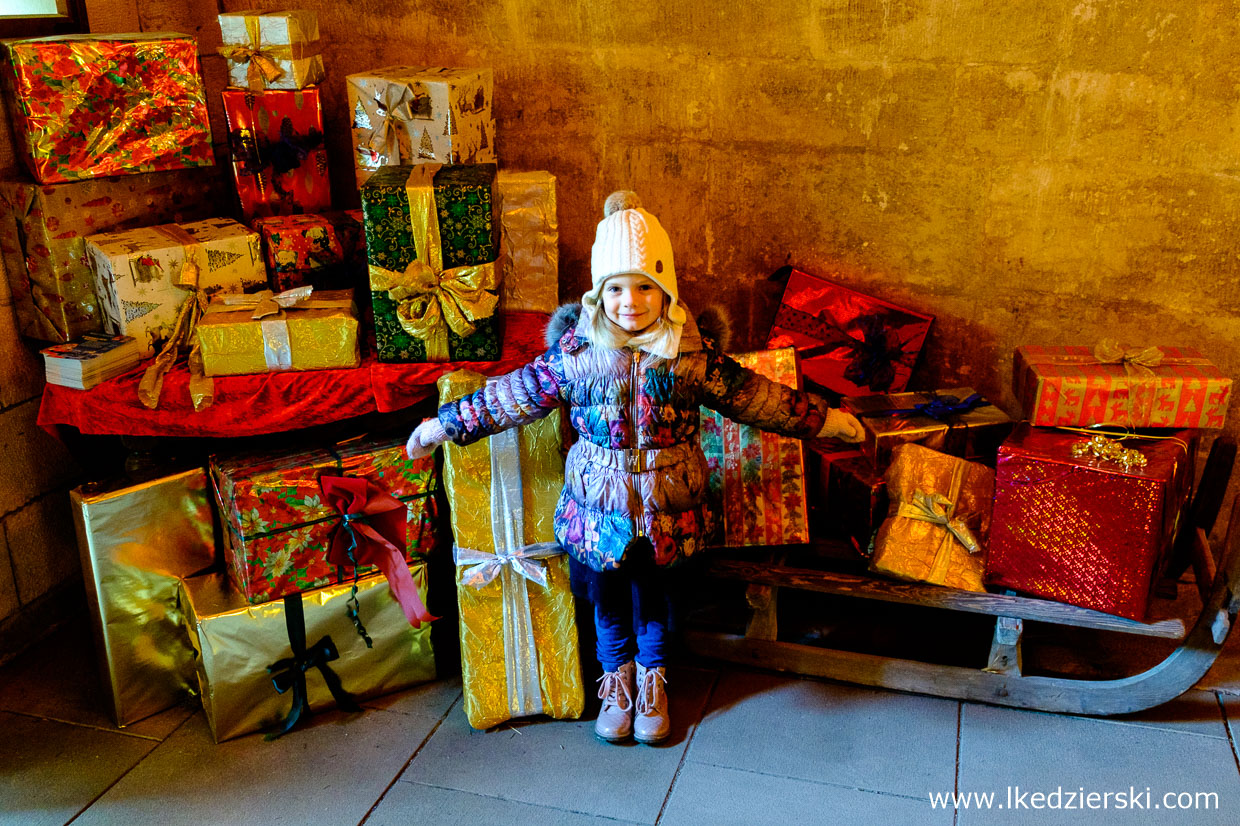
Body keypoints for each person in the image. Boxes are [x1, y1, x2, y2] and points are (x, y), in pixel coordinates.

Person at [407, 191, 863, 745]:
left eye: (646, 286)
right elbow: (512, 396)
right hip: (597, 508)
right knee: (607, 602)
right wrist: (443, 427)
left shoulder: (689, 356)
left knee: (657, 603)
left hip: (667, 510)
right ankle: (615, 681)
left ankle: (652, 682)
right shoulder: (576, 356)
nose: (631, 301)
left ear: (666, 290)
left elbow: (755, 396)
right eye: (616, 288)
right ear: (598, 294)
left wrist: (824, 420)